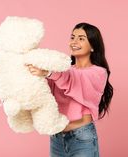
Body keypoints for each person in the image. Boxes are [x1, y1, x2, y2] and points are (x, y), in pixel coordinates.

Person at [27, 22, 113, 157]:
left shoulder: (98, 73)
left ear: (92, 46)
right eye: (72, 37)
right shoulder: (62, 72)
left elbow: (75, 79)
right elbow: (44, 91)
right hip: (57, 138)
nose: (74, 41)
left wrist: (48, 72)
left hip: (82, 138)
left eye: (81, 38)